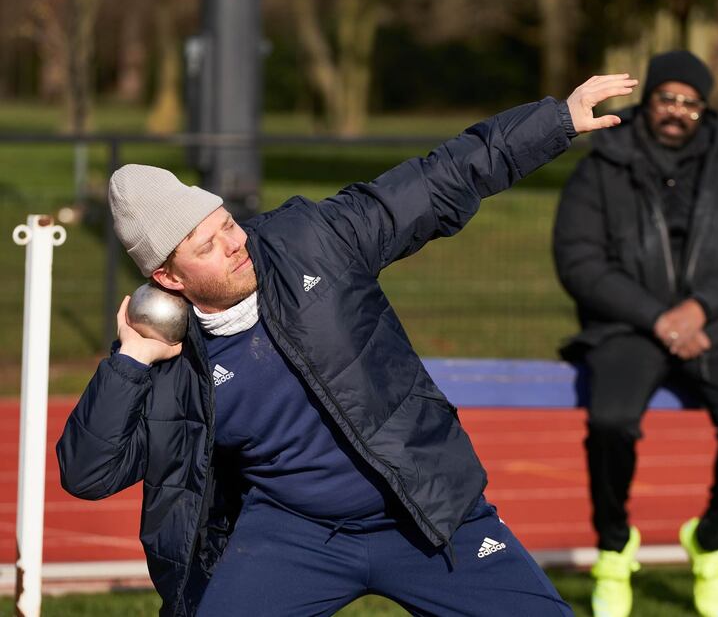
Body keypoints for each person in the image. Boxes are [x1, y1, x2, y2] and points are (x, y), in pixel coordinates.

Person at [57, 74, 636, 617]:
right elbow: (88, 475)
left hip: (421, 506)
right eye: (207, 246)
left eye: (227, 224)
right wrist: (130, 361)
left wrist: (555, 120)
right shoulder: (167, 352)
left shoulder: (311, 241)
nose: (235, 244)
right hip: (293, 533)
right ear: (169, 278)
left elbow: (436, 182)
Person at [552, 51, 718, 617]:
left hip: (716, 327)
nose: (678, 111)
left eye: (690, 102)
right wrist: (659, 318)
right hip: (627, 327)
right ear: (648, 100)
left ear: (703, 109)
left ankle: (708, 541)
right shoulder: (604, 160)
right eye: (667, 98)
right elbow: (578, 259)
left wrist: (700, 310)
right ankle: (613, 547)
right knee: (609, 421)